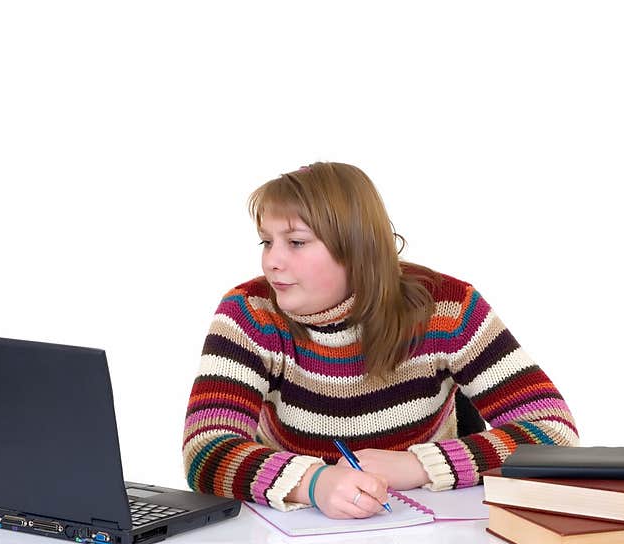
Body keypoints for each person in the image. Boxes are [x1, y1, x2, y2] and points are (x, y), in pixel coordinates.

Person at [182, 162, 578, 519]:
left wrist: (419, 466)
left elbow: (555, 434)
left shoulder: (447, 307)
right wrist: (313, 483)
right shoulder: (249, 311)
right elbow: (206, 449)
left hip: (431, 537)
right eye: (266, 242)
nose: (272, 261)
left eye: (296, 242)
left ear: (357, 248)